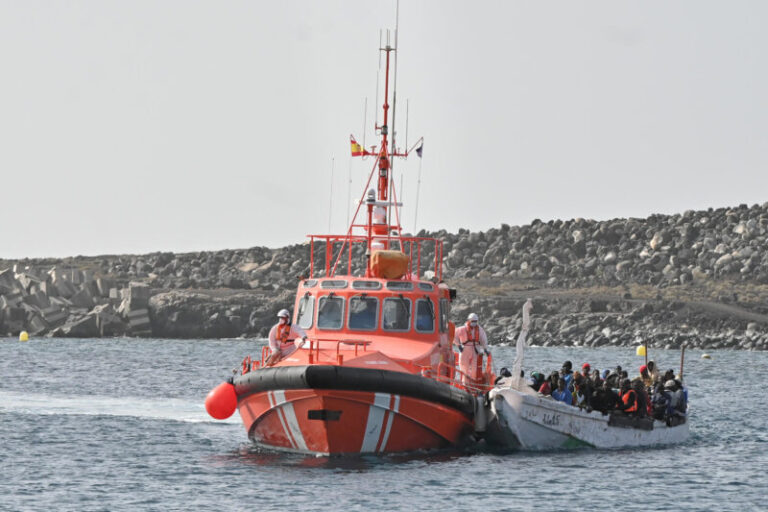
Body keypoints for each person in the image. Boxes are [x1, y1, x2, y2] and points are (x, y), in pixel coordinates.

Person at [454, 312, 490, 384]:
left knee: (474, 368)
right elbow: (454, 336)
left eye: (475, 321)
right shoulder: (462, 329)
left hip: (475, 349)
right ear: (469, 320)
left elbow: (484, 339)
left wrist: (485, 349)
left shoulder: (479, 329)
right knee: (464, 367)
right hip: (464, 349)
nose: (474, 323)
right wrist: (458, 345)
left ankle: (472, 383)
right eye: (473, 321)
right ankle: (464, 383)